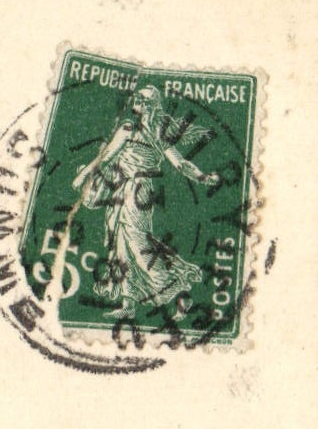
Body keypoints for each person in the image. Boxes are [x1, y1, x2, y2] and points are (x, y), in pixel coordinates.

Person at [71, 84, 220, 316]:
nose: (139, 101)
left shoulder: (157, 134)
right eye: (138, 97)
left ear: (153, 106)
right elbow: (106, 157)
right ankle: (128, 304)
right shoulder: (128, 128)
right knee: (121, 245)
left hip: (138, 191)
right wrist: (83, 176)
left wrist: (203, 176)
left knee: (139, 245)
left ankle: (179, 293)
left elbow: (180, 163)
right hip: (122, 188)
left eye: (145, 99)